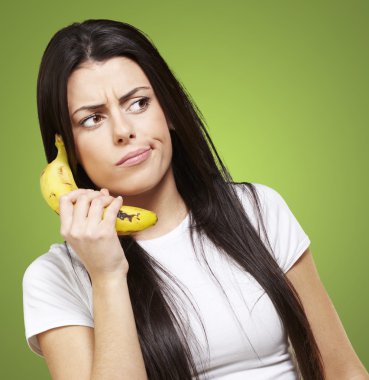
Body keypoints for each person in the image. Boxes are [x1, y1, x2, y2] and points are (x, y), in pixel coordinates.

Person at [22, 19, 368, 380]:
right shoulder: (55, 277)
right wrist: (108, 276)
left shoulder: (258, 209)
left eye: (138, 103)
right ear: (67, 151)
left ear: (168, 110)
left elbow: (344, 370)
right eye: (92, 119)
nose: (124, 131)